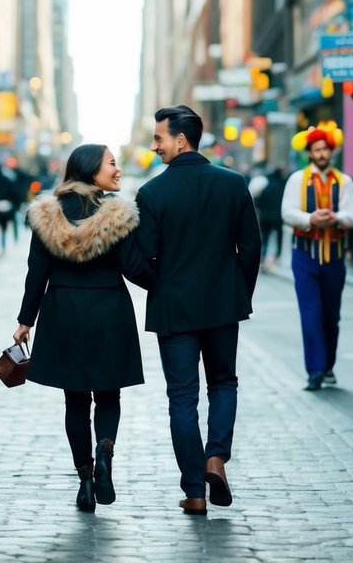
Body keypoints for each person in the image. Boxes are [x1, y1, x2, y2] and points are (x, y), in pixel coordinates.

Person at [135, 105, 261, 517]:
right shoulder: (233, 184)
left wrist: (163, 285)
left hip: (174, 310)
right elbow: (251, 249)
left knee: (182, 398)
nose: (154, 146)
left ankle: (194, 491)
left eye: (159, 139)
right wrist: (238, 293)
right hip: (223, 304)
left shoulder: (151, 193)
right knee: (223, 383)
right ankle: (216, 459)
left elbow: (139, 260)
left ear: (180, 140)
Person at [14, 143, 152, 513]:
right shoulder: (117, 215)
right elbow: (135, 269)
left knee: (75, 399)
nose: (118, 169)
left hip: (62, 312)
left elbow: (36, 272)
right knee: (108, 395)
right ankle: (105, 454)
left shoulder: (47, 213)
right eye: (112, 163)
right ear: (92, 169)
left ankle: (86, 481)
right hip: (109, 310)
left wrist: (26, 320)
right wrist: (170, 285)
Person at [281, 120, 353, 391]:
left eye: (325, 149)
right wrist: (311, 218)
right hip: (305, 255)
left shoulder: (345, 181)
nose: (321, 154)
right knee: (310, 313)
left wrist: (337, 218)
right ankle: (314, 370)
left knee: (331, 314)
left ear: (332, 151)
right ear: (310, 152)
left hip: (335, 256)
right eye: (316, 149)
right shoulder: (297, 180)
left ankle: (328, 366)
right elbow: (287, 212)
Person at [256, 166, 286, 270]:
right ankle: (276, 258)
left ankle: (262, 259)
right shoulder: (283, 186)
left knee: (265, 239)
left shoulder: (267, 185)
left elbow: (259, 202)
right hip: (279, 217)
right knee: (279, 239)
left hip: (265, 217)